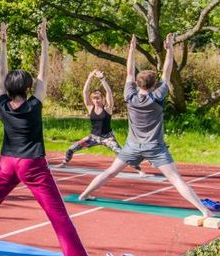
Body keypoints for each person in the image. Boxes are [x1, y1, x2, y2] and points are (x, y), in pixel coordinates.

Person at [0, 22, 104, 256]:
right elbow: (43, 75)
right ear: (27, 88)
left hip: (7, 163)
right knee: (57, 214)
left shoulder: (2, 103)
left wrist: (3, 44)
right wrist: (44, 42)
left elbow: (2, 73)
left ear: (8, 89)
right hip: (32, 164)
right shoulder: (34, 104)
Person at [78, 34, 212, 217]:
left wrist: (132, 49)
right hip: (155, 147)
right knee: (175, 178)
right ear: (154, 85)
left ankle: (84, 195)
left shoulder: (129, 95)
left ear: (137, 84)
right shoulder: (157, 97)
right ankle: (204, 211)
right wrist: (170, 50)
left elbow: (129, 73)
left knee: (110, 172)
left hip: (132, 146)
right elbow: (167, 73)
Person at [58, 69, 144, 174]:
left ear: (102, 99)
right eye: (94, 98)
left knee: (121, 153)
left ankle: (139, 170)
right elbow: (85, 92)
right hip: (93, 137)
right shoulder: (90, 108)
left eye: (98, 98)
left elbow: (109, 92)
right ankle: (64, 163)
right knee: (71, 149)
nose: (96, 100)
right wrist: (89, 78)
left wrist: (102, 79)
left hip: (107, 138)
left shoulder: (108, 108)